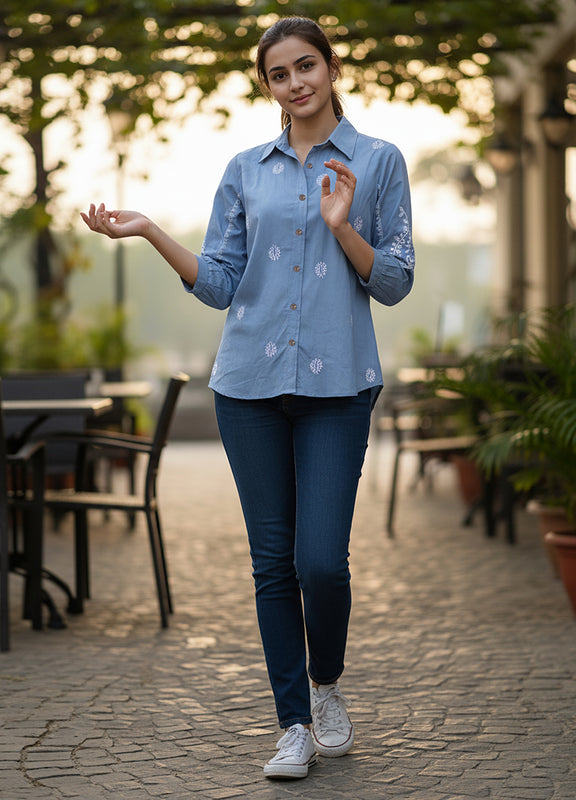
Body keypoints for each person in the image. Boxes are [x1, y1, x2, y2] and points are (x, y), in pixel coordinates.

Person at [81, 15, 415, 781]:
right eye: (279, 74)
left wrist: (343, 229)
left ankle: (326, 685)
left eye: (307, 67)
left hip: (338, 386)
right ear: (266, 85)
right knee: (273, 564)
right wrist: (151, 231)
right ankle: (293, 723)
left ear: (332, 68)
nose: (296, 84)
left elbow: (394, 282)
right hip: (248, 389)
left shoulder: (377, 161)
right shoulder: (243, 170)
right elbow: (223, 285)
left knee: (322, 563)